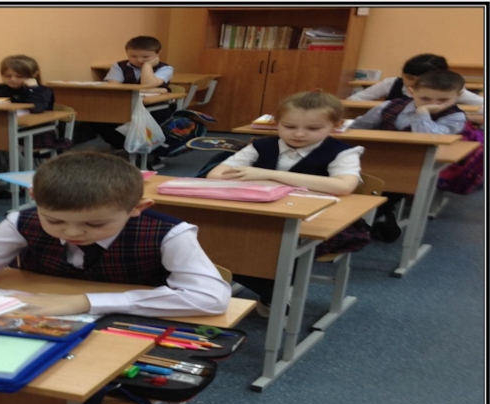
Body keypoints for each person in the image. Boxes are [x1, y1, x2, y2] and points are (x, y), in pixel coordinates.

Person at [0, 151, 230, 317]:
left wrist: (85, 301)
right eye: (54, 220)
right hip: (40, 319)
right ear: (34, 198)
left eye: (94, 225)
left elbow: (211, 298)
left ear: (137, 207)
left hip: (128, 323)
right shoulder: (21, 221)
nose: (71, 232)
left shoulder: (169, 233)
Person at [205, 90, 364, 317]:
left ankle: (276, 291)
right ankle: (267, 288)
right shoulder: (261, 146)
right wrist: (278, 182)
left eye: (313, 128)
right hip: (261, 214)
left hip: (318, 221)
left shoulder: (343, 152)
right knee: (222, 235)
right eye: (289, 126)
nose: (299, 134)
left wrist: (269, 176)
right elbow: (216, 175)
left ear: (336, 126)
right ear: (276, 123)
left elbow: (344, 186)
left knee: (282, 242)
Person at [350, 70, 467, 241]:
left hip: (413, 166)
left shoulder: (455, 116)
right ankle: (378, 218)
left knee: (390, 188)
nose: (434, 104)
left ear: (458, 96)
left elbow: (428, 139)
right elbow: (359, 127)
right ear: (412, 92)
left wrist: (423, 112)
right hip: (377, 158)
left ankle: (375, 218)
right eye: (425, 98)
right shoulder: (390, 105)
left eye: (443, 100)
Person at [0, 55, 65, 199]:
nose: (12, 79)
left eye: (19, 76)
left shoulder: (42, 91)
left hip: (36, 131)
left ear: (33, 75)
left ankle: (28, 182)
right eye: (7, 76)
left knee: (7, 141)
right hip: (6, 129)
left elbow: (37, 108)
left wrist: (32, 88)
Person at [94, 36, 176, 151]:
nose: (139, 60)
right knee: (97, 116)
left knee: (153, 120)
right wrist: (151, 90)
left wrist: (147, 66)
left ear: (158, 54)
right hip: (125, 103)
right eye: (133, 56)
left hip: (156, 106)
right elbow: (114, 88)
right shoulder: (119, 66)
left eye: (146, 57)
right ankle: (122, 145)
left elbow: (148, 84)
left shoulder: (165, 68)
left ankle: (147, 149)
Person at [347, 53, 483, 121]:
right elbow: (354, 100)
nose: (413, 84)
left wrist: (464, 116)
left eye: (421, 80)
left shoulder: (450, 91)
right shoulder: (392, 83)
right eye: (409, 78)